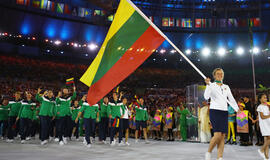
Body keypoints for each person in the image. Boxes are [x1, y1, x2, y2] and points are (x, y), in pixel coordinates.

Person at [204, 68, 239, 160]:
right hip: (215, 111)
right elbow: (206, 97)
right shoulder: (211, 85)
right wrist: (207, 85)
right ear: (214, 75)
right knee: (217, 135)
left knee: (223, 136)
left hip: (224, 111)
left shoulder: (226, 87)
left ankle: (220, 157)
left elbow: (231, 99)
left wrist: (237, 109)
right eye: (218, 74)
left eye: (221, 74)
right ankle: (209, 152)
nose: (220, 75)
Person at [257, 93, 270, 160]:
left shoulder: (267, 106)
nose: (266, 99)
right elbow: (262, 117)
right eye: (264, 97)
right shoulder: (259, 107)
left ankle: (266, 157)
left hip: (268, 123)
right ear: (260, 99)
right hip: (264, 124)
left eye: (266, 97)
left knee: (266, 141)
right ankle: (261, 150)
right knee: (268, 139)